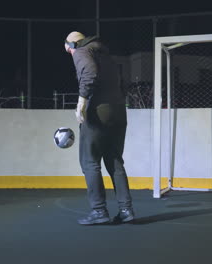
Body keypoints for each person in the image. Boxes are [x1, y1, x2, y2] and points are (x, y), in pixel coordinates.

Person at [64, 31, 134, 225]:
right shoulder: (105, 54)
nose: (71, 55)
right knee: (115, 161)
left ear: (72, 45)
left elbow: (89, 72)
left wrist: (81, 104)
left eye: (69, 50)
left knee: (89, 161)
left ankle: (99, 211)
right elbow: (123, 82)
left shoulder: (81, 51)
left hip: (98, 111)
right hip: (119, 111)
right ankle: (126, 210)